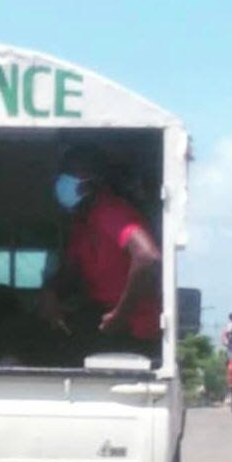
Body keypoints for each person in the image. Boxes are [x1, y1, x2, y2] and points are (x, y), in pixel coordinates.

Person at [37, 146, 161, 363]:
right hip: (100, 316)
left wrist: (120, 315)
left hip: (131, 329)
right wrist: (51, 292)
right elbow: (71, 269)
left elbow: (147, 257)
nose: (61, 181)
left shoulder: (110, 211)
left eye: (69, 174)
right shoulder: (82, 222)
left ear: (90, 181)